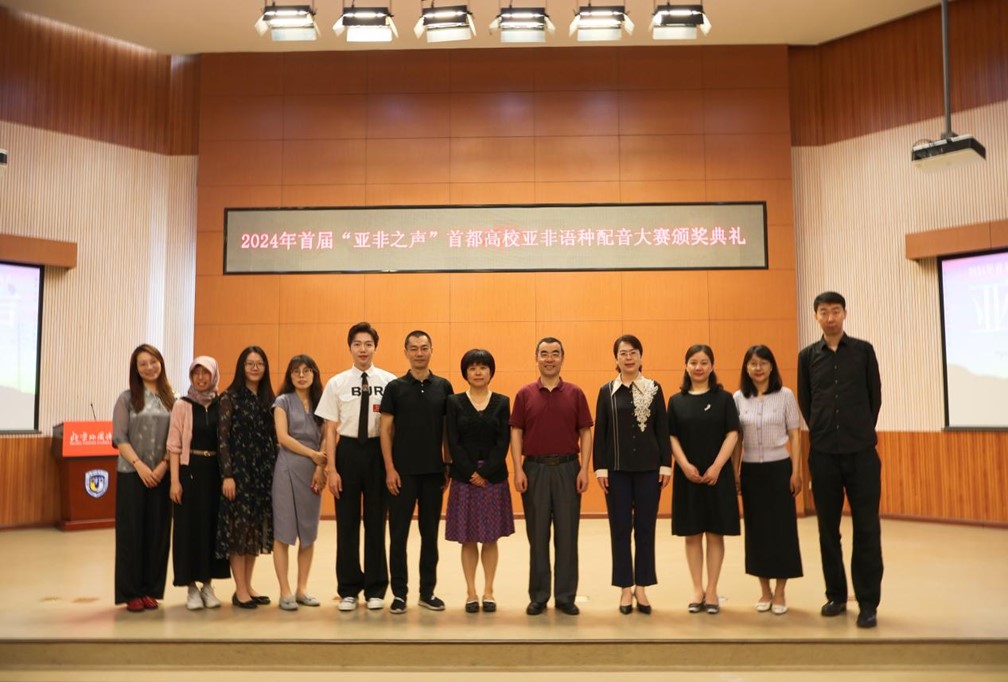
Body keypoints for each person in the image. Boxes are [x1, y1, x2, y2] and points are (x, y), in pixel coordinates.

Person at [797, 291, 883, 629]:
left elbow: (874, 397)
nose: (830, 317)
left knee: (867, 528)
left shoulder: (863, 351)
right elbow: (806, 400)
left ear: (844, 313)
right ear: (816, 316)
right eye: (824, 311)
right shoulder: (807, 356)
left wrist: (857, 431)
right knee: (827, 530)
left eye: (835, 311)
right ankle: (836, 595)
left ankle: (868, 602)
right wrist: (823, 432)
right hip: (823, 455)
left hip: (861, 454)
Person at [510, 337, 593, 616]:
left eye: (555, 354)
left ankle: (566, 596)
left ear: (562, 358)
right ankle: (539, 595)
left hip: (568, 469)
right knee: (538, 536)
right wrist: (518, 468)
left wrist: (584, 468)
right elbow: (516, 432)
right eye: (544, 354)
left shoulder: (575, 393)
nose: (549, 359)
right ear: (536, 358)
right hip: (534, 470)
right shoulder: (524, 394)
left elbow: (585, 431)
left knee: (567, 536)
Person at [316, 322, 396, 612]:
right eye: (357, 344)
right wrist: (332, 470)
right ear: (349, 347)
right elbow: (330, 429)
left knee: (376, 522)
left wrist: (390, 466)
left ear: (376, 347)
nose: (363, 349)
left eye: (368, 344)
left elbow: (393, 426)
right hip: (347, 452)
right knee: (346, 524)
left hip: (378, 452)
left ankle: (376, 588)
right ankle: (348, 589)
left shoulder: (389, 382)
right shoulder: (336, 383)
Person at [593, 335, 671, 615]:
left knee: (646, 529)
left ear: (641, 356)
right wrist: (600, 468)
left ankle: (642, 587)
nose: (628, 358)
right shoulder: (607, 391)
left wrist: (666, 465)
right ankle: (625, 588)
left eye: (633, 352)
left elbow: (662, 428)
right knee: (620, 529)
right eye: (623, 353)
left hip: (650, 471)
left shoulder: (654, 388)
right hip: (616, 472)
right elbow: (600, 433)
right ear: (616, 358)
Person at [379, 330, 455, 614]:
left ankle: (427, 592)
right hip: (401, 474)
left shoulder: (443, 386)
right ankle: (399, 594)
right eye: (414, 348)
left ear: (431, 350)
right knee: (398, 535)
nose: (419, 353)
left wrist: (448, 464)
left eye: (424, 348)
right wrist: (389, 469)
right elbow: (385, 430)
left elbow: (447, 430)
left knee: (429, 535)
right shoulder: (394, 387)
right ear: (406, 352)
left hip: (433, 474)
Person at [667, 344, 740, 615]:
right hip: (688, 476)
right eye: (693, 362)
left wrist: (718, 466)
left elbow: (732, 433)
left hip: (717, 476)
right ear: (686, 366)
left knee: (715, 533)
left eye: (704, 362)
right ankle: (697, 589)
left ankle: (712, 590)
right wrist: (684, 465)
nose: (699, 367)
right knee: (692, 534)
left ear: (712, 366)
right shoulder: (677, 400)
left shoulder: (724, 399)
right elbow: (671, 436)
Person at [733, 345, 803, 615]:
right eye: (753, 363)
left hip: (779, 469)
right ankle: (764, 590)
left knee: (782, 531)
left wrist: (796, 471)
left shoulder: (785, 395)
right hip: (751, 471)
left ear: (772, 366)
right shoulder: (739, 398)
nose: (758, 368)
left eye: (763, 363)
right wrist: (735, 471)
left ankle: (781, 591)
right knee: (757, 531)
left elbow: (795, 435)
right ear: (746, 368)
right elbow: (736, 438)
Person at [444, 349, 514, 613]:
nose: (478, 372)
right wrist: (471, 472)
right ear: (465, 373)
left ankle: (489, 591)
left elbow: (503, 442)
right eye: (472, 368)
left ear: (490, 372)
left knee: (491, 537)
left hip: (493, 479)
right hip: (464, 479)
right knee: (468, 538)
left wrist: (485, 473)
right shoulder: (454, 402)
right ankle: (471, 592)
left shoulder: (502, 402)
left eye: (483, 367)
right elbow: (453, 441)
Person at [113, 344, 175, 612]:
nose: (149, 367)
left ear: (161, 363)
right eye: (143, 364)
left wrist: (163, 466)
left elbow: (176, 439)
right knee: (131, 533)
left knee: (158, 533)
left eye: (153, 361)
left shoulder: (173, 399)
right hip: (132, 473)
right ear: (135, 370)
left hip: (162, 474)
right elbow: (119, 438)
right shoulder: (126, 398)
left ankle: (151, 590)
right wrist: (140, 466)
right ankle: (131, 592)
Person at [216, 345, 276, 609]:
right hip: (239, 473)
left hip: (262, 473)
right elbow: (222, 439)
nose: (255, 368)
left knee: (254, 530)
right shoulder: (230, 397)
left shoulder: (269, 398)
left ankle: (248, 585)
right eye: (250, 363)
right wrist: (227, 475)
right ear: (242, 367)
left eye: (259, 363)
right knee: (238, 531)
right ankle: (239, 589)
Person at [167, 355, 230, 611]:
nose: (201, 378)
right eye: (196, 373)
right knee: (189, 530)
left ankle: (208, 585)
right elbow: (173, 445)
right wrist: (174, 481)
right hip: (189, 472)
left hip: (216, 473)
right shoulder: (182, 405)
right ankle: (191, 587)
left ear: (214, 375)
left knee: (212, 529)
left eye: (206, 373)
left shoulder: (222, 403)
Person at [272, 354, 327, 611]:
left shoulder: (322, 403)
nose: (301, 375)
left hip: (314, 472)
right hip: (287, 468)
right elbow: (283, 438)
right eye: (296, 371)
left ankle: (301, 589)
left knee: (308, 532)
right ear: (290, 375)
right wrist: (312, 454)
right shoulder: (282, 401)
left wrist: (320, 466)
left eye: (307, 370)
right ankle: (284, 591)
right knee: (283, 532)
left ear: (314, 374)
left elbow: (327, 437)